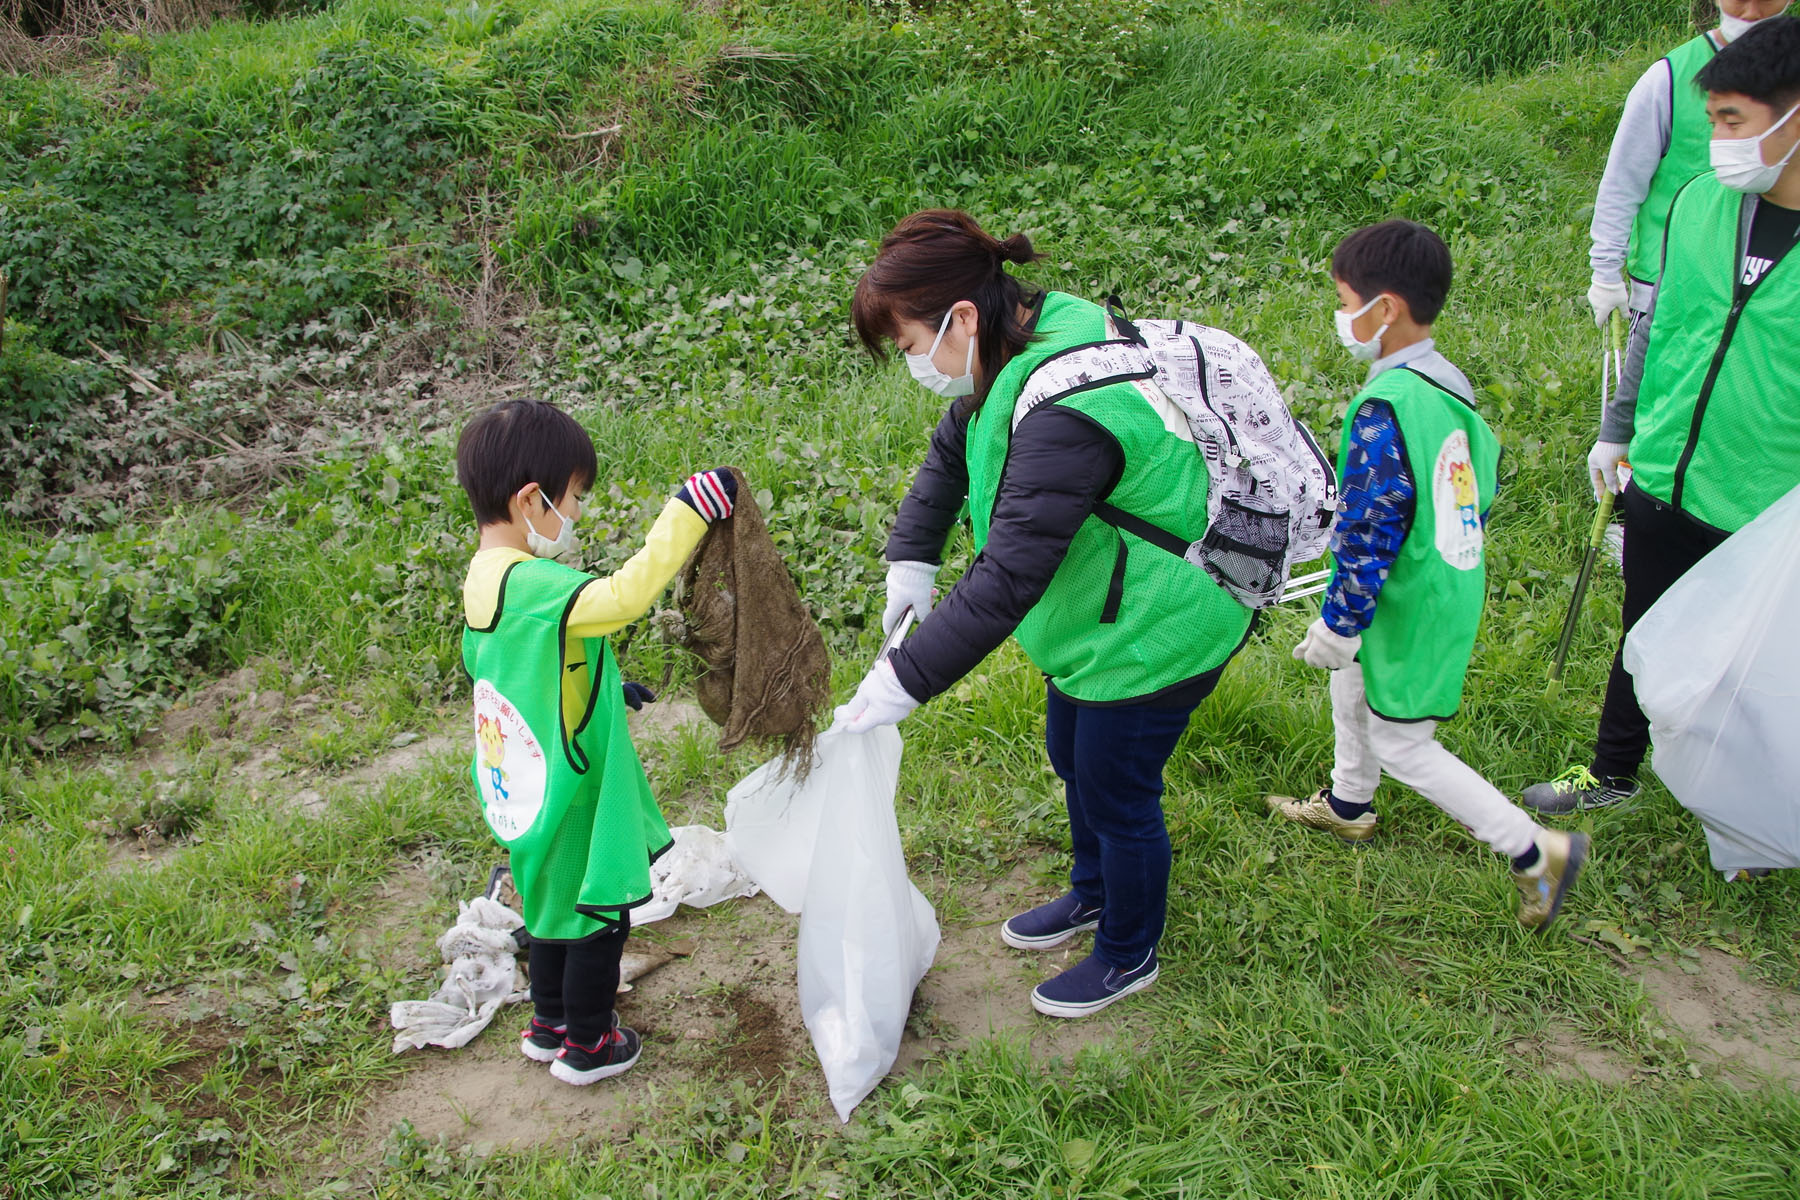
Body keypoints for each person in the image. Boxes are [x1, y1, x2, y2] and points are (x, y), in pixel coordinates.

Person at [835, 209, 1255, 1019]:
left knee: (1117, 789)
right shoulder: (1016, 337)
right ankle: (1093, 892)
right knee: (1073, 751)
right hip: (1104, 615)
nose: (913, 365)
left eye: (909, 345)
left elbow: (1011, 574)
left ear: (959, 317)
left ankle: (1129, 951)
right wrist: (911, 559)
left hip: (1161, 623)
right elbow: (955, 445)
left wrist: (905, 681)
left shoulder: (1066, 406)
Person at [1264, 221, 1590, 931]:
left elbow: (1369, 528)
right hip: (1443, 575)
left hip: (1409, 594)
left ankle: (1537, 851)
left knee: (1403, 741)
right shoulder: (1445, 388)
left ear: (1385, 309)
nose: (1340, 315)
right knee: (1352, 691)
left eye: (1345, 299)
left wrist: (1341, 620)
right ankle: (1349, 805)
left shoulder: (1388, 405)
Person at [1526, 16, 1800, 814]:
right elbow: (1658, 324)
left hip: (1766, 498)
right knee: (1643, 636)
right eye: (1711, 120)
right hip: (1667, 469)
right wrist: (1619, 428)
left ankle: (1749, 812)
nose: (1717, 141)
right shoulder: (1697, 204)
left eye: (1732, 122)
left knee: (1755, 666)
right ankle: (1612, 775)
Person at [455, 398, 736, 1084]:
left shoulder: (483, 578)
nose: (573, 515)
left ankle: (547, 1023)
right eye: (572, 499)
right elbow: (620, 598)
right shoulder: (534, 582)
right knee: (596, 919)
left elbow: (529, 669)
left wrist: (606, 688)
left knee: (551, 906)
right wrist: (689, 513)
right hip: (572, 791)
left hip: (523, 784)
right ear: (531, 498)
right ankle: (589, 1044)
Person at [1584, 1, 1790, 334]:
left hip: (1772, 296)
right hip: (1669, 295)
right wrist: (1606, 272)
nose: (1752, 8)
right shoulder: (1669, 77)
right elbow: (1622, 183)